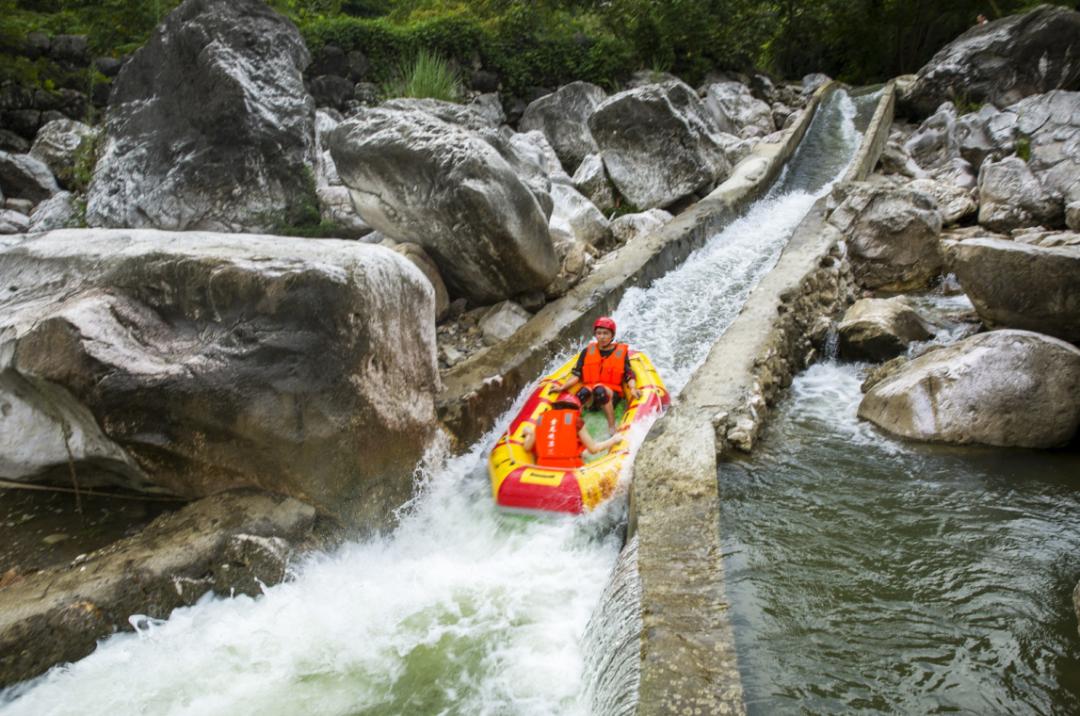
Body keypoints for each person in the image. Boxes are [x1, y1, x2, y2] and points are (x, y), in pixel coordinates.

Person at [553, 316, 641, 433]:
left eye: (605, 333)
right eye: (599, 333)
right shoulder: (587, 351)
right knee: (582, 393)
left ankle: (612, 427)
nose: (602, 337)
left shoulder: (620, 353)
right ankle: (571, 429)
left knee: (599, 390)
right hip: (592, 396)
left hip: (610, 394)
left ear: (612, 335)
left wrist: (633, 388)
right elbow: (577, 375)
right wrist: (562, 387)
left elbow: (628, 374)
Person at [522, 392, 620, 468]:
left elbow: (527, 447)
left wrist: (529, 433)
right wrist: (613, 440)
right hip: (569, 471)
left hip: (542, 469)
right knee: (584, 453)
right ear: (576, 409)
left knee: (582, 452)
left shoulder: (541, 420)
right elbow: (593, 449)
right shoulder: (575, 420)